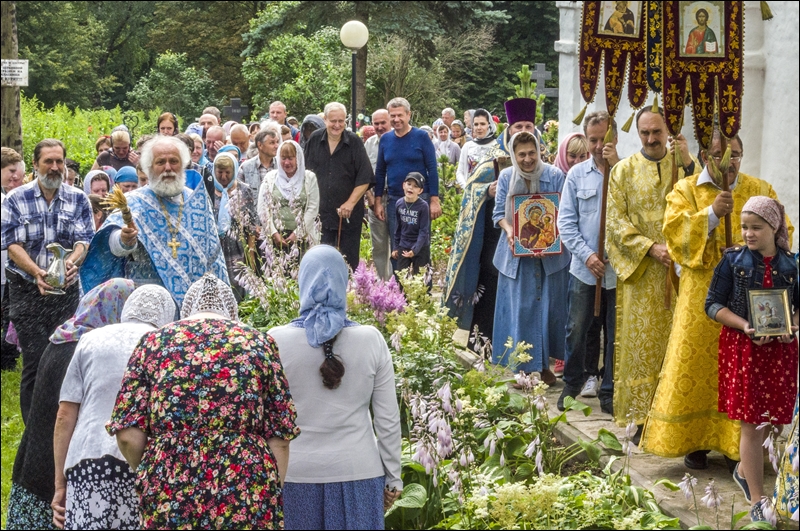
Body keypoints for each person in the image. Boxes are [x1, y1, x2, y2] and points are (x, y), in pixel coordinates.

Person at [641, 132, 794, 470]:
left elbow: (785, 233)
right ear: (703, 155)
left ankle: (733, 445)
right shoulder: (686, 189)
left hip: (748, 297)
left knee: (743, 370)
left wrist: (750, 249)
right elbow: (674, 235)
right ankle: (693, 441)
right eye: (720, 154)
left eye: (736, 154)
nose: (730, 161)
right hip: (701, 294)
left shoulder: (760, 189)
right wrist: (710, 214)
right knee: (697, 367)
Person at [107, 274, 299, 529]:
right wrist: (268, 488)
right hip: (247, 488)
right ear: (231, 310)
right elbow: (280, 436)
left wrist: (156, 467)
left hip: (169, 488)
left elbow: (127, 435)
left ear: (187, 309)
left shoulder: (153, 344)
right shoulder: (259, 344)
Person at [268, 245, 402, 529]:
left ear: (302, 282)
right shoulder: (371, 340)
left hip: (293, 477)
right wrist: (393, 478)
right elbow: (388, 419)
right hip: (359, 475)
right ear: (344, 282)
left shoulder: (274, 341)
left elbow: (262, 421)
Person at [4, 279, 134, 530]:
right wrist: (62, 483)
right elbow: (66, 416)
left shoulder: (62, 337)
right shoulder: (88, 349)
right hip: (55, 475)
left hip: (30, 464)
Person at [705, 196, 798, 523]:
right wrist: (745, 324)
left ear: (774, 227)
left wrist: (791, 324)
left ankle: (746, 470)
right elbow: (713, 305)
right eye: (744, 227)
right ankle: (758, 498)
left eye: (756, 227)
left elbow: (796, 306)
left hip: (780, 350)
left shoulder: (791, 264)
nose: (748, 233)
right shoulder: (733, 262)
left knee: (774, 418)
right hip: (745, 349)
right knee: (752, 421)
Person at [52, 284, 175, 530]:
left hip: (87, 461)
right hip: (140, 461)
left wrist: (60, 485)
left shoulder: (89, 339)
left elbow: (65, 416)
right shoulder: (167, 346)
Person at [605, 106, 696, 434]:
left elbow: (703, 200)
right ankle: (640, 419)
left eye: (657, 132)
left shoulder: (684, 169)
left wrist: (687, 161)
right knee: (641, 348)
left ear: (668, 132)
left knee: (680, 347)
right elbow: (615, 223)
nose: (651, 138)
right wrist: (650, 247)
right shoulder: (624, 171)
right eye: (645, 133)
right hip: (643, 275)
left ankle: (676, 422)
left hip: (681, 275)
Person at [2, 139, 94, 424]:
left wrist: (72, 262)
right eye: (48, 162)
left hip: (65, 290)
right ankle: (34, 427)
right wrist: (36, 273)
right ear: (35, 165)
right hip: (27, 289)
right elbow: (11, 243)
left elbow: (85, 240)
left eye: (59, 162)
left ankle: (63, 420)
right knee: (35, 358)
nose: (55, 167)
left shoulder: (78, 198)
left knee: (65, 356)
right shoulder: (16, 199)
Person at [80, 135, 229, 308]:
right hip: (147, 298)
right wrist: (124, 241)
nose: (168, 168)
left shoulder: (198, 201)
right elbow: (108, 244)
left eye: (174, 161)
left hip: (194, 300)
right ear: (149, 168)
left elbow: (214, 257)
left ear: (183, 164)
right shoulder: (134, 201)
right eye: (160, 162)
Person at [443, 97, 537, 355]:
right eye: (519, 126)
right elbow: (471, 190)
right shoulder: (493, 157)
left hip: (531, 236)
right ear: (509, 127)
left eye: (528, 125)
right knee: (492, 285)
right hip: (494, 236)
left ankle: (523, 345)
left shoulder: (539, 157)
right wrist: (488, 190)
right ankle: (483, 342)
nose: (524, 131)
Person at [491, 131, 570, 380]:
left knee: (549, 310)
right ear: (513, 156)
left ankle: (544, 366)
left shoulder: (555, 176)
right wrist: (510, 231)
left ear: (539, 151)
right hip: (516, 255)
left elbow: (563, 212)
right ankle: (522, 369)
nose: (527, 159)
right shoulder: (506, 177)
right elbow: (498, 214)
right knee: (521, 311)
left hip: (551, 257)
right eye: (521, 154)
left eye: (532, 153)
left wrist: (549, 239)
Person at [556, 112, 620, 413]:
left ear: (614, 138)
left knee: (615, 331)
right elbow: (566, 223)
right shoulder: (576, 175)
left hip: (618, 271)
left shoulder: (625, 172)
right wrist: (588, 255)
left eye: (603, 139)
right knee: (576, 327)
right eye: (592, 139)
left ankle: (609, 389)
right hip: (584, 269)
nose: (597, 146)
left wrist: (616, 167)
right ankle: (573, 381)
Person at [304, 102, 373, 272]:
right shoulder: (314, 139)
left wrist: (350, 203)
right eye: (333, 121)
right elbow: (305, 174)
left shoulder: (355, 142)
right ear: (325, 120)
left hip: (348, 217)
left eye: (341, 121)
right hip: (320, 215)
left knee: (348, 264)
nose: (337, 125)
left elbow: (365, 177)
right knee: (320, 262)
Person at [374, 97, 441, 271]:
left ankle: (421, 289)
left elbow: (432, 169)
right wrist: (378, 200)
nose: (396, 119)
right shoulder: (386, 140)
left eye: (400, 115)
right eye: (393, 116)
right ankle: (399, 291)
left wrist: (434, 199)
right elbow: (380, 172)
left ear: (408, 115)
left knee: (420, 243)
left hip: (421, 200)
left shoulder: (421, 137)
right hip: (395, 199)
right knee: (398, 245)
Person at [258, 140, 320, 253]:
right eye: (283, 158)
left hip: (303, 239)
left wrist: (298, 233)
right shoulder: (270, 178)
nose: (286, 163)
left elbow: (312, 209)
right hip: (275, 238)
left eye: (291, 158)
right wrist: (274, 233)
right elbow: (262, 208)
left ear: (298, 158)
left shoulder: (309, 178)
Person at [211, 152, 258, 301]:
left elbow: (251, 226)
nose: (224, 177)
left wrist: (250, 255)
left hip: (237, 248)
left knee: (236, 288)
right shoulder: (207, 190)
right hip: (215, 249)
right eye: (220, 172)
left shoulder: (244, 190)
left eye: (227, 173)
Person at [364, 109, 393, 281]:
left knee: (399, 245)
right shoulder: (369, 145)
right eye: (376, 123)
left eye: (383, 123)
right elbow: (363, 175)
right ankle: (383, 284)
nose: (380, 127)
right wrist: (371, 199)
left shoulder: (399, 142)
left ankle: (399, 285)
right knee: (379, 246)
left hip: (397, 199)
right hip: (376, 200)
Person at [392, 172, 431, 276]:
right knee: (401, 277)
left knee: (421, 278)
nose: (411, 188)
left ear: (420, 190)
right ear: (403, 185)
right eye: (409, 184)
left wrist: (415, 250)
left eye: (415, 186)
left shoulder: (423, 206)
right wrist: (395, 247)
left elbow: (424, 231)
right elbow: (397, 228)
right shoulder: (399, 203)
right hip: (404, 244)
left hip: (420, 246)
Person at [456, 109, 495, 189]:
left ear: (489, 125)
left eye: (482, 124)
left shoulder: (497, 146)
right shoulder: (467, 146)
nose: (479, 128)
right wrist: (467, 188)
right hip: (470, 195)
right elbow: (460, 172)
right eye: (476, 124)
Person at [239, 127, 280, 195]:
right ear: (260, 145)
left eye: (277, 142)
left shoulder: (282, 166)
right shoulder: (245, 168)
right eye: (272, 143)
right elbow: (239, 195)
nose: (276, 146)